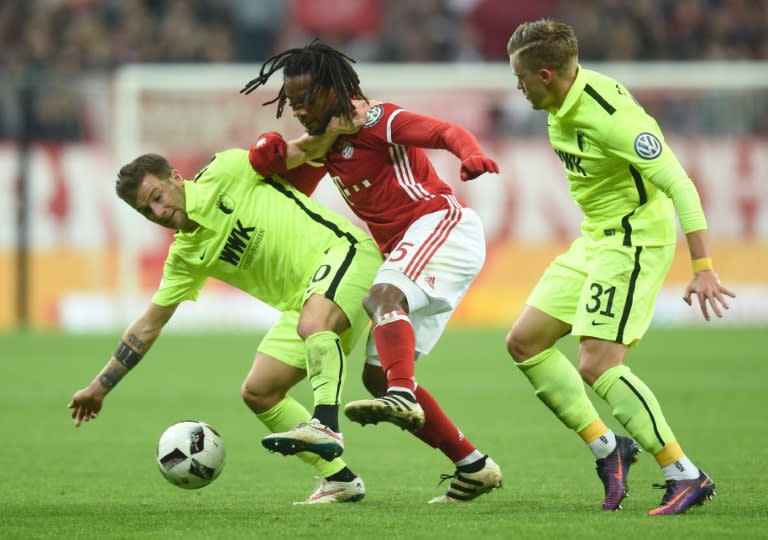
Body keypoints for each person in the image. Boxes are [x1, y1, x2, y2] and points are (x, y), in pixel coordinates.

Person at [240, 40, 503, 504]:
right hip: (412, 247)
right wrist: (313, 143)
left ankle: (401, 395)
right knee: (376, 377)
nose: (298, 110)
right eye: (292, 102)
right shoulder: (329, 142)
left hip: (441, 223)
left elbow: (444, 131)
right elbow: (276, 171)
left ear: (331, 90)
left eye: (304, 100)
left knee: (382, 299)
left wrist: (471, 154)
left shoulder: (378, 120)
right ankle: (473, 466)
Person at [504, 19, 735, 515]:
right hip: (596, 237)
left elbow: (681, 184)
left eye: (520, 78)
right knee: (525, 342)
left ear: (545, 75)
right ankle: (610, 448)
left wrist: (704, 266)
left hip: (634, 241)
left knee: (598, 362)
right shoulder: (558, 100)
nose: (515, 87)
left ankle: (684, 473)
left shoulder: (612, 117)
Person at [67, 149, 383, 504]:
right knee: (259, 391)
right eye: (146, 211)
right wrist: (99, 387)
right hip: (306, 301)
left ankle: (325, 423)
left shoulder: (226, 170)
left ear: (175, 176)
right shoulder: (186, 255)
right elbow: (147, 326)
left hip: (346, 254)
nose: (158, 212)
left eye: (157, 197)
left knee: (314, 323)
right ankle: (340, 479)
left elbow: (302, 150)